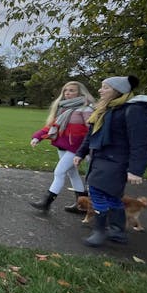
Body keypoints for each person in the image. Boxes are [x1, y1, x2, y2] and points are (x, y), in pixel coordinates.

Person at [73, 75, 147, 248]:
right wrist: (80, 153)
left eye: (105, 87)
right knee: (111, 195)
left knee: (96, 192)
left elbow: (141, 142)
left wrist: (136, 169)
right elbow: (91, 134)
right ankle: (117, 232)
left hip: (116, 161)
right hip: (101, 159)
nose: (100, 90)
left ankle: (100, 230)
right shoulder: (106, 109)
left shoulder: (133, 110)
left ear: (118, 91)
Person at [29, 81, 95, 212]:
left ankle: (46, 202)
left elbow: (92, 130)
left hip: (75, 148)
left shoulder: (86, 109)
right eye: (66, 91)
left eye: (72, 90)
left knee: (59, 172)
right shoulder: (63, 108)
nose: (68, 93)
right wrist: (37, 137)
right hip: (62, 146)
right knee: (72, 173)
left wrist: (87, 150)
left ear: (80, 93)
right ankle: (82, 205)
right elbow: (52, 126)